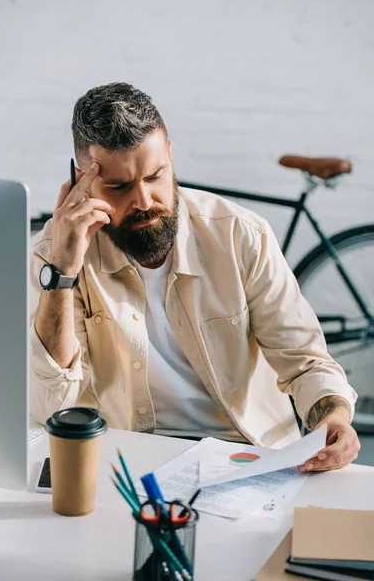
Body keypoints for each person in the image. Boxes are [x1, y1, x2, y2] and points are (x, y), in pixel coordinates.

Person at [30, 82, 360, 472]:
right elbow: (52, 405)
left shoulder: (241, 235)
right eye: (119, 187)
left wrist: (335, 418)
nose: (143, 201)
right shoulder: (55, 255)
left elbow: (305, 361)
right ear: (80, 180)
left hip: (248, 453)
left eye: (155, 176)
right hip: (132, 461)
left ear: (170, 155)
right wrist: (64, 272)